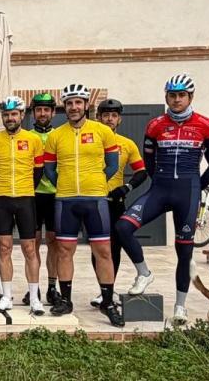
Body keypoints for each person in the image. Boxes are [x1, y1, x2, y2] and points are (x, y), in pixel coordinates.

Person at [114, 75, 209, 325]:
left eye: (181, 95)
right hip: (160, 189)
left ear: (190, 97)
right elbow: (149, 162)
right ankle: (144, 273)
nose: (176, 100)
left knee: (183, 252)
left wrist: (196, 187)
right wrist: (161, 184)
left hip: (188, 191)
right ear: (166, 97)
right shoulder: (155, 125)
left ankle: (180, 307)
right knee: (122, 226)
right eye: (172, 95)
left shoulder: (206, 125)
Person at [41, 84, 123, 326]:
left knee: (104, 251)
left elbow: (112, 165)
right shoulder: (56, 135)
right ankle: (65, 300)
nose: (73, 107)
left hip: (95, 200)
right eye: (69, 103)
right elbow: (49, 169)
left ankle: (107, 301)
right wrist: (64, 184)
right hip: (65, 201)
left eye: (78, 102)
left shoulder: (102, 131)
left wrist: (95, 182)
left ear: (87, 105)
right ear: (64, 107)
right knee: (64, 251)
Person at [0, 96, 46, 315]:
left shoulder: (34, 140)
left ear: (22, 115)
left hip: (26, 199)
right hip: (2, 199)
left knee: (30, 248)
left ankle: (34, 298)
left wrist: (26, 189)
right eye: (6, 115)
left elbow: (38, 171)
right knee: (4, 248)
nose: (10, 118)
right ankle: (6, 296)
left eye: (13, 114)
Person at [88, 99, 149, 308]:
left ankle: (109, 292)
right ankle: (103, 290)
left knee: (114, 248)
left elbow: (142, 171)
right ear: (99, 118)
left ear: (119, 119)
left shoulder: (127, 144)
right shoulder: (91, 140)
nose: (110, 119)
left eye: (114, 115)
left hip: (115, 201)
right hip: (94, 199)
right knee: (96, 249)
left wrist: (127, 187)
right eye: (106, 115)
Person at [28, 93, 62, 305]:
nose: (42, 113)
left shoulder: (59, 136)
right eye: (38, 110)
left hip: (55, 195)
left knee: (54, 243)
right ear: (33, 113)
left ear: (53, 112)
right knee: (32, 244)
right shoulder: (27, 136)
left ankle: (52, 287)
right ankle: (34, 288)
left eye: (46, 110)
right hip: (32, 196)